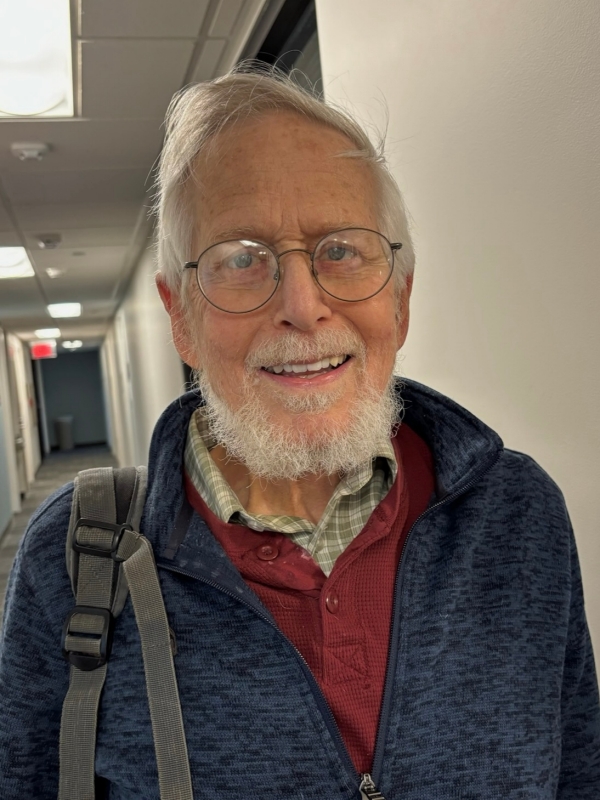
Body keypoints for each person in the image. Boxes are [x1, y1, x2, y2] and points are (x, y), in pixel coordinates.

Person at [0, 65, 599, 800]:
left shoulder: (519, 514)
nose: (303, 306)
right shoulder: (71, 563)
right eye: (241, 260)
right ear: (181, 315)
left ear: (401, 299)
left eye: (343, 250)